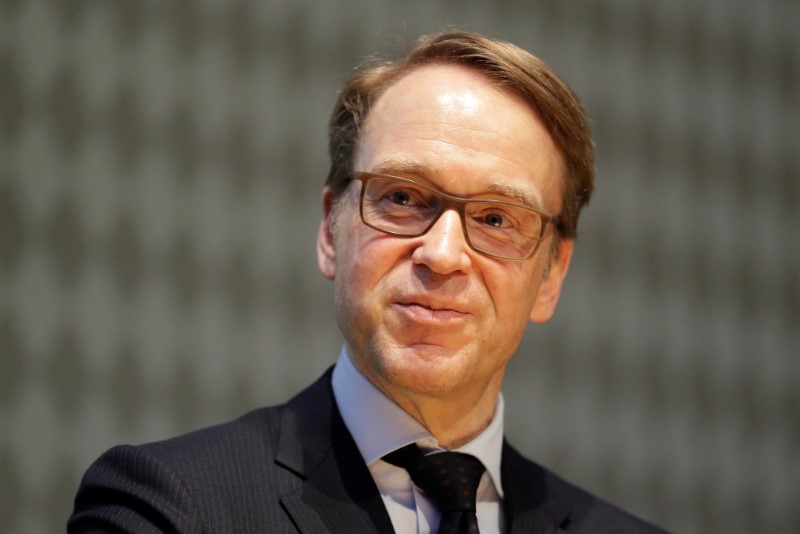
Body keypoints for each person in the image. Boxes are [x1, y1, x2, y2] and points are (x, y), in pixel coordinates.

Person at [69, 30, 664, 533]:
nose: (443, 253)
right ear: (332, 228)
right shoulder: (169, 507)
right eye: (403, 197)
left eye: (496, 218)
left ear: (551, 275)